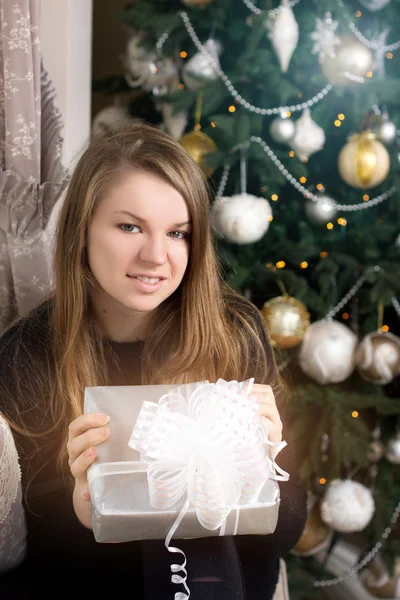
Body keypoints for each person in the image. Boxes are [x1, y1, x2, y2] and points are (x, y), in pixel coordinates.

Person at [0, 121, 307, 599]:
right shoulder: (26, 354)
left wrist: (263, 469)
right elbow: (26, 559)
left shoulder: (234, 333)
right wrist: (83, 508)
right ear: (82, 231)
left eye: (178, 233)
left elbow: (284, 531)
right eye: (129, 226)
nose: (155, 256)